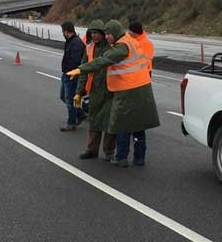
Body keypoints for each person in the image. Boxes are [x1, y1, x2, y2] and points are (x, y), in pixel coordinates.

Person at [67, 20, 160, 167]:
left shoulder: (120, 46)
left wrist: (81, 69)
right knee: (137, 125)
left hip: (126, 89)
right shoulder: (128, 41)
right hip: (139, 87)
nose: (107, 36)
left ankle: (120, 157)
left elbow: (104, 60)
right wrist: (80, 90)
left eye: (108, 33)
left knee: (121, 125)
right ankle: (138, 158)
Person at [74, 21, 115, 159]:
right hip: (95, 91)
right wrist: (79, 92)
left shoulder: (112, 48)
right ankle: (92, 150)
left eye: (96, 33)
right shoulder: (89, 48)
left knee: (109, 123)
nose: (94, 35)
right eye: (92, 33)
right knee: (94, 121)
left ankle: (109, 152)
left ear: (103, 34)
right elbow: (84, 70)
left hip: (110, 90)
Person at [59, 21, 87, 131]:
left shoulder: (76, 43)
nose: (63, 34)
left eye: (63, 31)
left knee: (69, 99)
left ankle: (71, 122)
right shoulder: (70, 41)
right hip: (66, 74)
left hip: (72, 75)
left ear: (66, 31)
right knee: (63, 96)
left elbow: (76, 61)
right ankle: (80, 114)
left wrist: (70, 72)